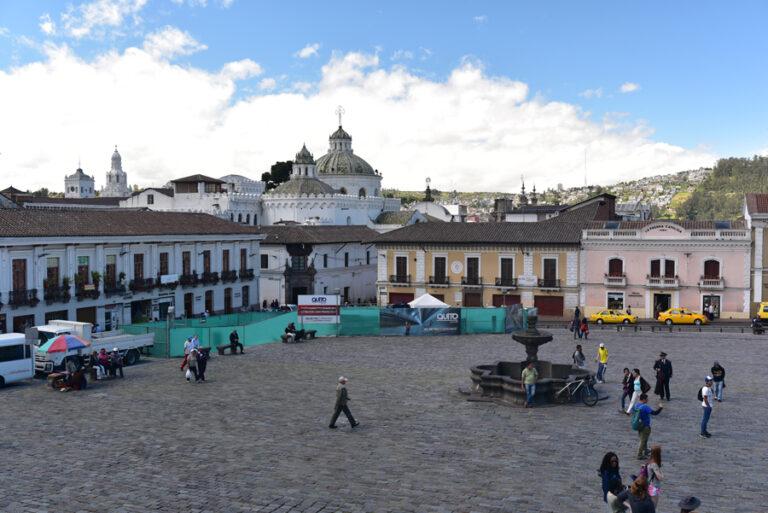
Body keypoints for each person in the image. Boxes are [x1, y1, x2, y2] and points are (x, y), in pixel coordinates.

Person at [633, 394, 663, 459]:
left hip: (639, 425)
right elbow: (655, 413)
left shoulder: (636, 405)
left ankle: (645, 451)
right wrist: (660, 407)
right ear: (644, 399)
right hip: (645, 426)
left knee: (644, 439)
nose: (648, 400)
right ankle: (639, 455)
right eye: (647, 399)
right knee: (643, 440)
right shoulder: (645, 407)